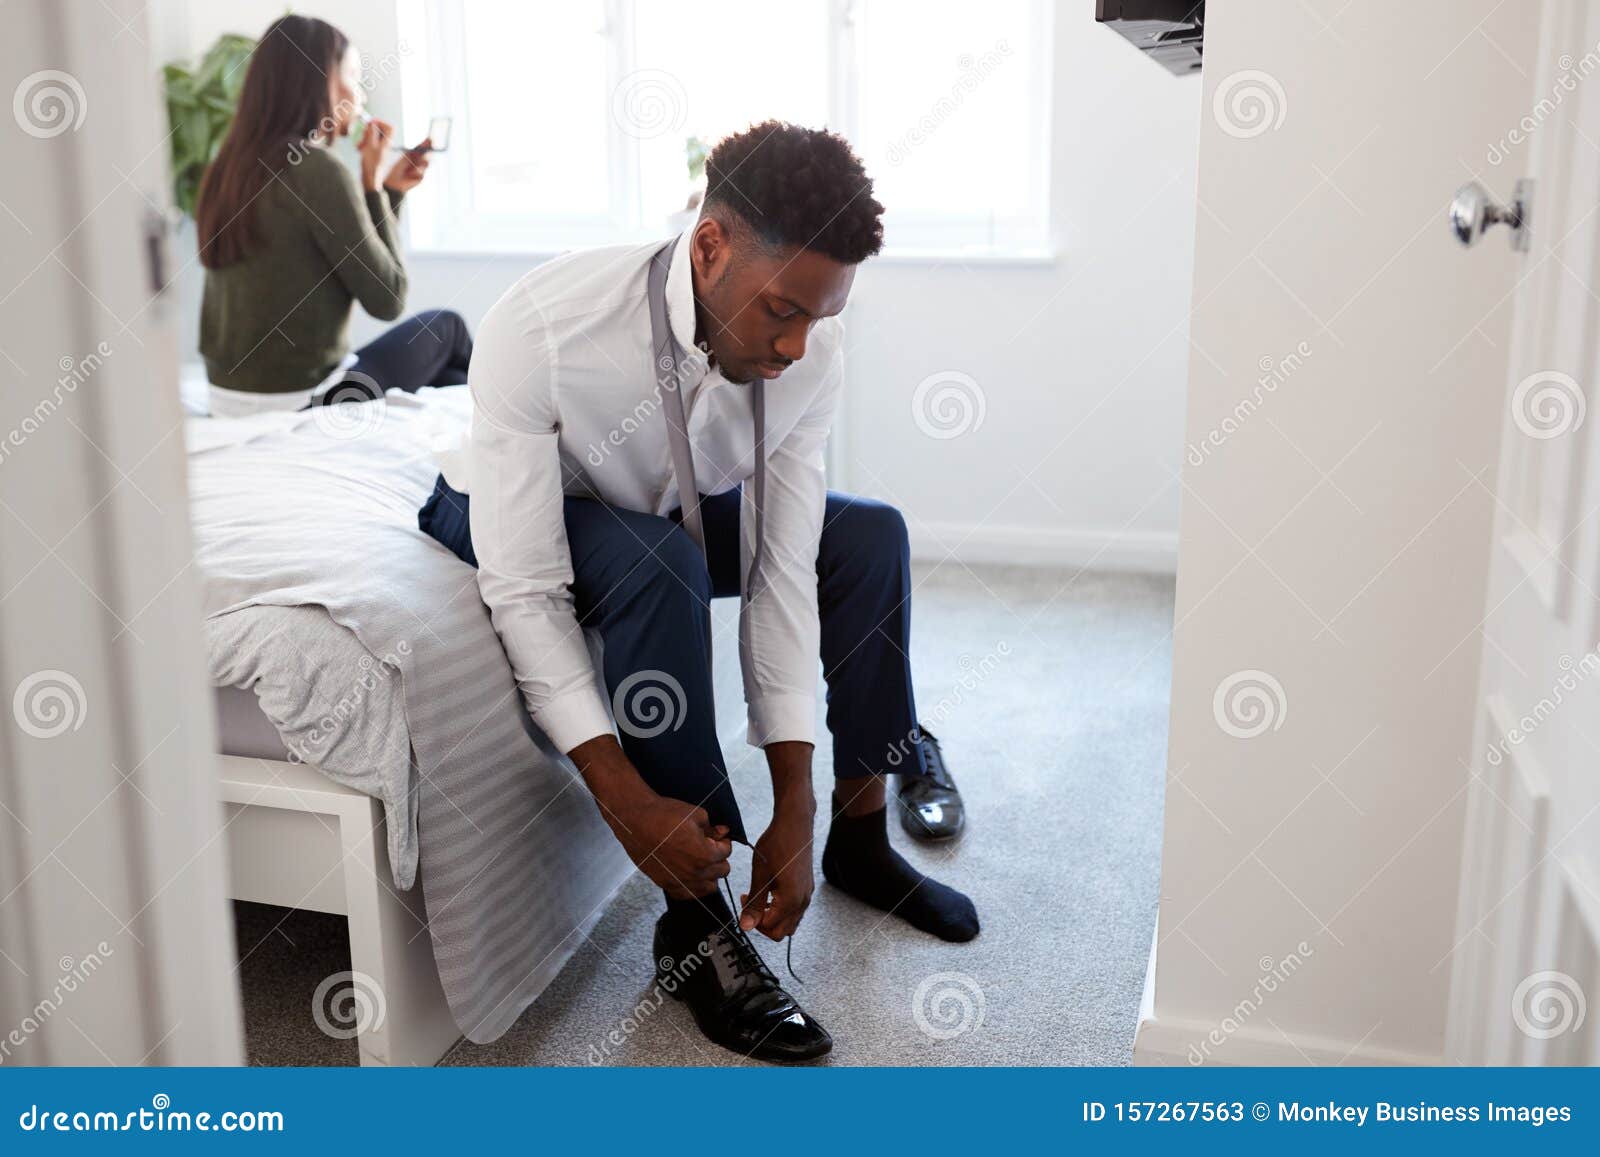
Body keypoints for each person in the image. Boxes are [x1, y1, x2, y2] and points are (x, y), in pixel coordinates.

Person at [419, 122, 973, 1063]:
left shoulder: (813, 354)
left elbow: (782, 568)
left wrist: (793, 797)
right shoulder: (548, 324)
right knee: (656, 567)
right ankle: (695, 925)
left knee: (869, 534)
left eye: (821, 317)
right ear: (709, 246)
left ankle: (860, 831)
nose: (799, 345)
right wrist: (623, 799)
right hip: (519, 512)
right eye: (783, 311)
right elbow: (525, 588)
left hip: (667, 507)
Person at [194, 14, 471, 417]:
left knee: (445, 379)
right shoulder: (316, 169)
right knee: (448, 328)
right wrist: (374, 185)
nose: (360, 95)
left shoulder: (229, 165)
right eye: (354, 77)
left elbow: (355, 255)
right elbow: (388, 298)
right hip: (304, 402)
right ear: (320, 80)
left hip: (225, 398)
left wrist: (387, 191)